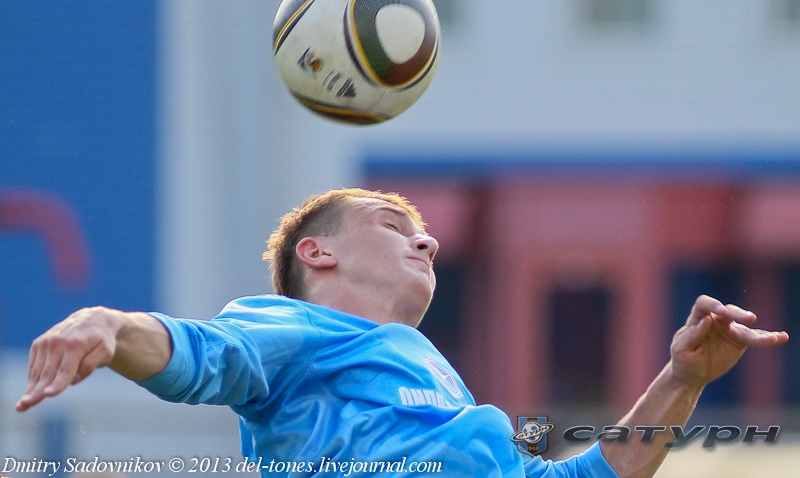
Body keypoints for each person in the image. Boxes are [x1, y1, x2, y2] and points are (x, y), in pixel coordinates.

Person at [16, 188, 789, 477]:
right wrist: (110, 326)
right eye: (393, 225)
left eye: (423, 231)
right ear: (316, 254)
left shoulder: (435, 382)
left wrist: (681, 378)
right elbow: (205, 357)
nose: (428, 240)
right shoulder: (294, 326)